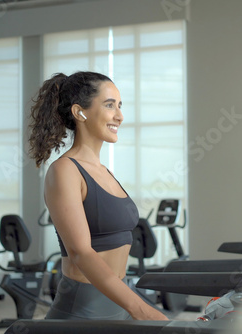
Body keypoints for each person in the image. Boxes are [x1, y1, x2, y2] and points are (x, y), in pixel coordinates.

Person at [28, 71, 169, 321]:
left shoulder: (104, 172)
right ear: (80, 112)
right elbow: (81, 252)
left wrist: (134, 306)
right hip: (82, 312)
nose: (119, 115)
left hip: (120, 304)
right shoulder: (64, 171)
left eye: (119, 105)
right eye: (109, 105)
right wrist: (142, 309)